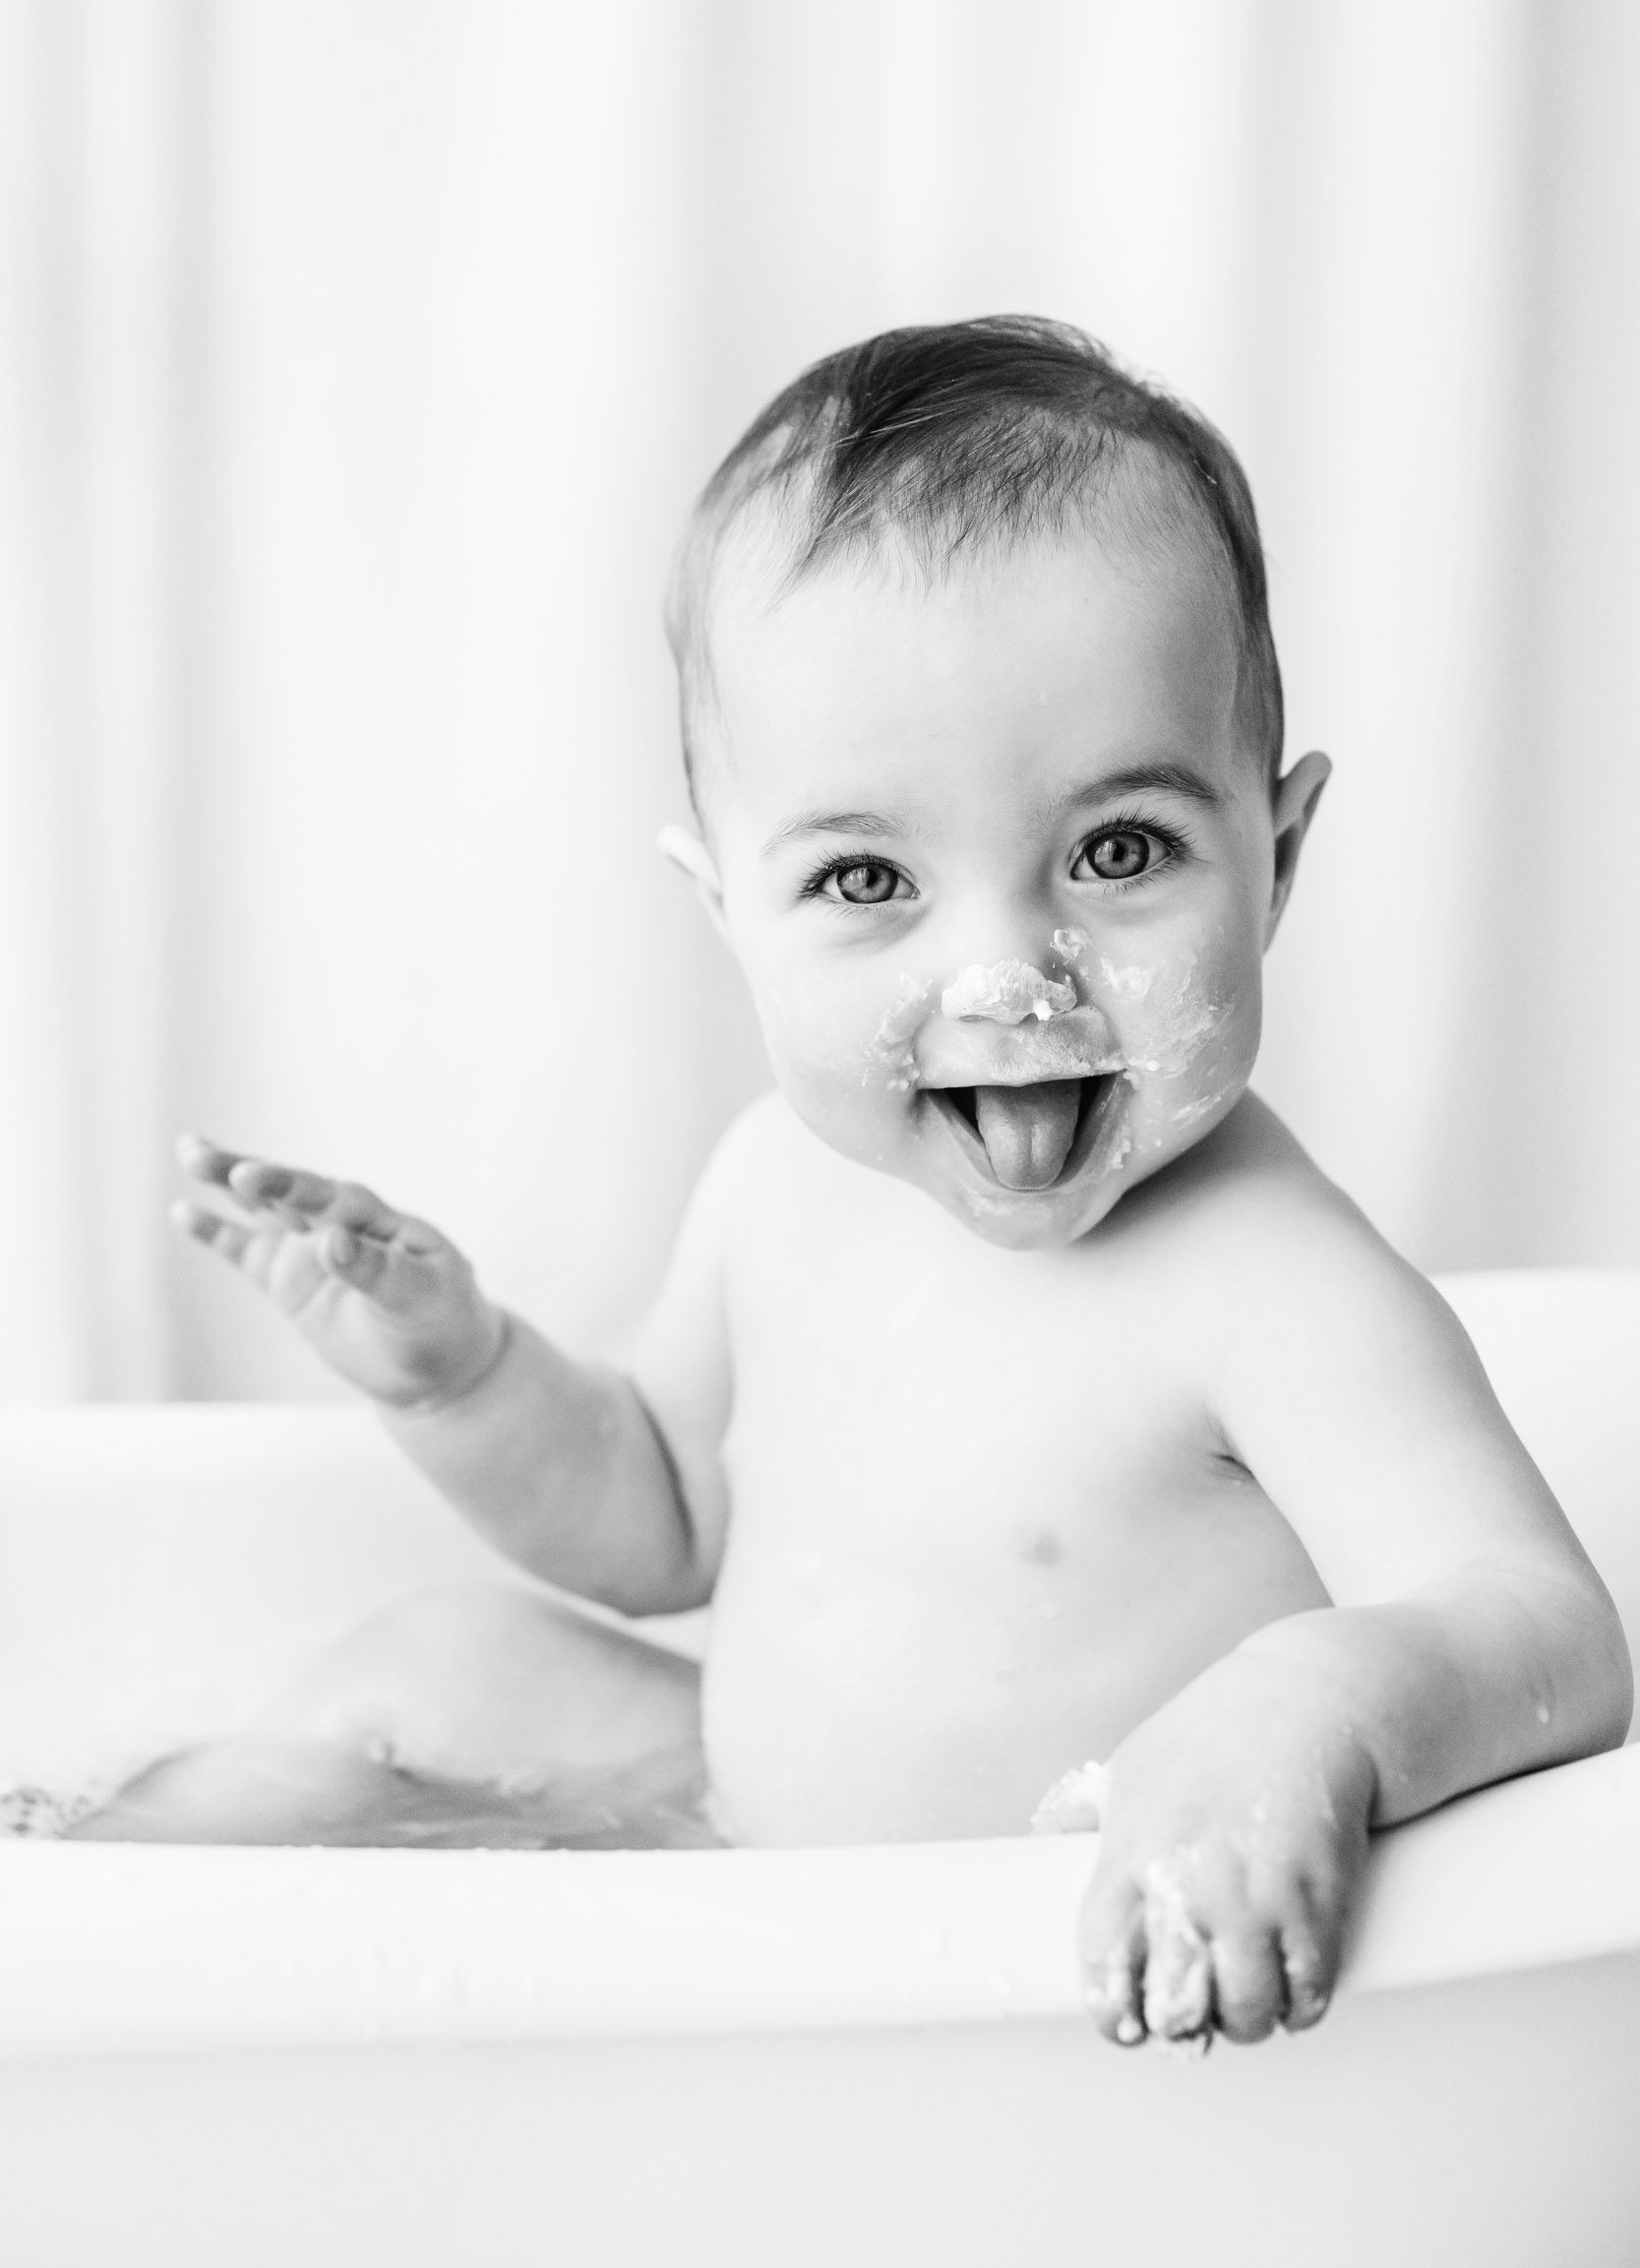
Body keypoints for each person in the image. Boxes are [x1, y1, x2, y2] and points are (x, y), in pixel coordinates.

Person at [78, 318, 1632, 2048]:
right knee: (430, 1658)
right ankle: (86, 1950)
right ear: (726, 909)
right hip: (752, 1852)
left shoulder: (1273, 1280)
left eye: (1119, 852)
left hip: (1008, 1964)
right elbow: (661, 1518)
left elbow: (1537, 1627)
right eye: (869, 877)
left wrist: (1298, 1714)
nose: (1005, 974)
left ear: (1278, 859)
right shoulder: (776, 1186)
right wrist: (469, 1379)